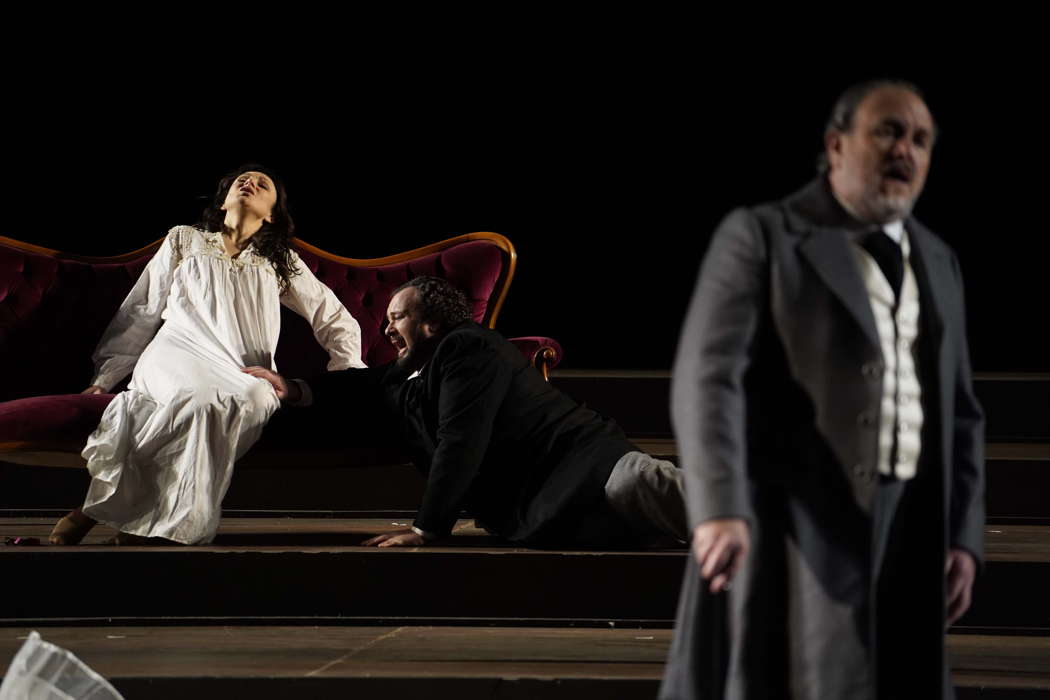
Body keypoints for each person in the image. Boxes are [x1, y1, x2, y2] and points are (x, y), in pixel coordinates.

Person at [659, 81, 985, 700]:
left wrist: (963, 537)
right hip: (791, 522)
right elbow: (708, 377)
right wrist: (719, 506)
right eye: (888, 131)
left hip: (912, 521)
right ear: (836, 144)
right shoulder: (763, 236)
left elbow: (963, 411)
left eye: (920, 140)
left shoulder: (937, 258)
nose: (906, 152)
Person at [245, 275, 689, 549]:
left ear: (432, 323)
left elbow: (461, 439)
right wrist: (293, 387)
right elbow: (362, 385)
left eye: (397, 317)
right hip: (544, 499)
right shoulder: (407, 373)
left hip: (589, 464)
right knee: (640, 531)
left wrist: (427, 530)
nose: (386, 329)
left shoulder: (468, 348)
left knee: (650, 487)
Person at [48, 165, 366, 546]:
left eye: (262, 184)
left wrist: (347, 378)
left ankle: (97, 507)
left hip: (242, 365)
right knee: (196, 400)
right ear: (224, 199)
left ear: (272, 213)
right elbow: (141, 310)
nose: (249, 182)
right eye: (240, 180)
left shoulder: (280, 260)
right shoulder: (185, 240)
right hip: (177, 352)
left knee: (251, 398)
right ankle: (158, 528)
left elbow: (331, 315)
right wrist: (103, 379)